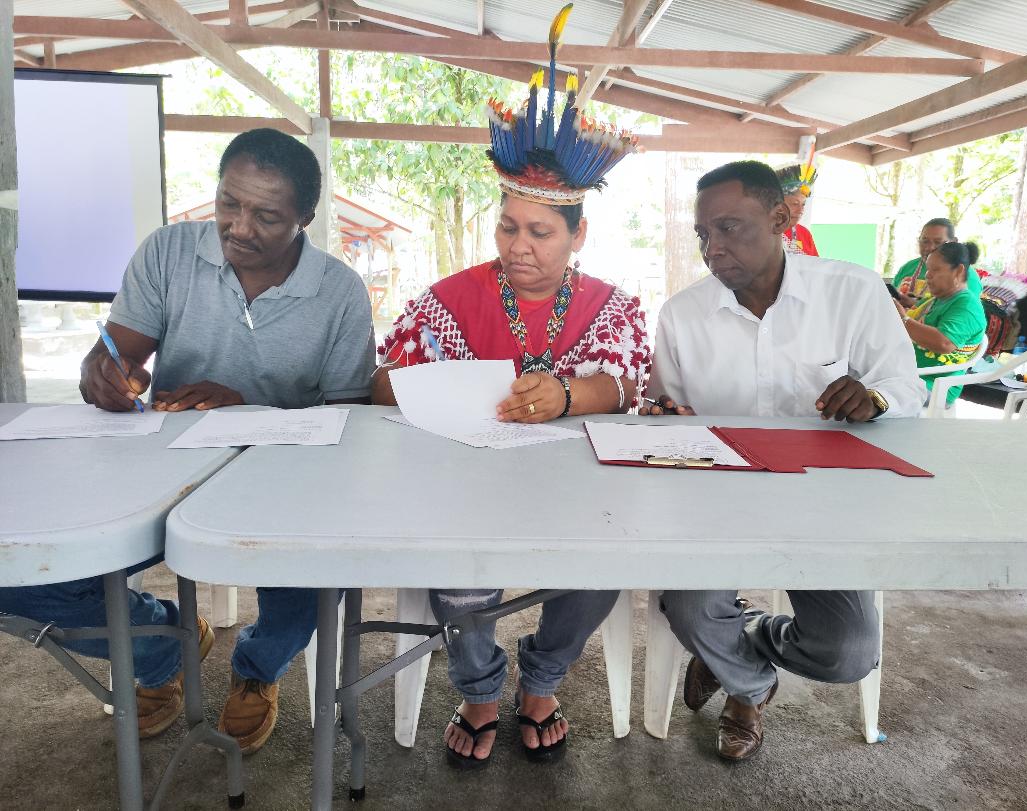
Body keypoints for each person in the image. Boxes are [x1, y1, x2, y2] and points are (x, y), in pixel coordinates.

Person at [0, 129, 376, 753]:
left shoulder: (339, 292)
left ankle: (255, 669)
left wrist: (244, 408)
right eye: (229, 203)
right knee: (22, 574)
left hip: (282, 475)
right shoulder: (169, 253)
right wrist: (105, 377)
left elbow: (346, 423)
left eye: (266, 216)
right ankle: (158, 644)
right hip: (159, 464)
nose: (239, 227)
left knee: (318, 574)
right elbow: (112, 355)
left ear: (306, 219)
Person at [373, 29, 649, 768]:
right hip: (468, 479)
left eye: (539, 230)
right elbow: (382, 383)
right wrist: (437, 384)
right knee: (458, 564)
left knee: (606, 560)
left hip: (574, 488)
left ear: (578, 232)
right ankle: (480, 690)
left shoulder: (612, 304)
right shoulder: (451, 296)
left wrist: (565, 394)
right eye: (507, 225)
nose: (518, 244)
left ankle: (544, 680)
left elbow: (625, 387)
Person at [642, 160, 923, 762]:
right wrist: (664, 417)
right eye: (702, 235)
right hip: (717, 502)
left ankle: (743, 644)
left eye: (729, 228)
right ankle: (750, 687)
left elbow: (907, 389)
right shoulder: (683, 315)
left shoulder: (852, 292)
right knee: (689, 607)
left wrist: (874, 398)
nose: (713, 249)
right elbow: (666, 413)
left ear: (780, 218)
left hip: (824, 506)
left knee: (848, 650)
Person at [896, 241, 988, 406]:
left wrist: (903, 319)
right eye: (928, 270)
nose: (928, 276)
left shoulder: (967, 306)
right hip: (908, 376)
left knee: (867, 391)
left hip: (934, 387)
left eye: (935, 270)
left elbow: (944, 343)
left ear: (958, 271)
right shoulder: (936, 300)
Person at [893, 218, 981, 309]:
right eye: (925, 241)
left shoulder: (965, 275)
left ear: (953, 242)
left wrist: (914, 305)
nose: (930, 248)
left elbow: (960, 312)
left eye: (938, 242)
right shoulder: (908, 267)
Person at [776, 163, 818, 256]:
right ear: (778, 203)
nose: (800, 210)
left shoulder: (804, 234)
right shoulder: (764, 232)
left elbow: (815, 266)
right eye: (795, 204)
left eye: (803, 204)